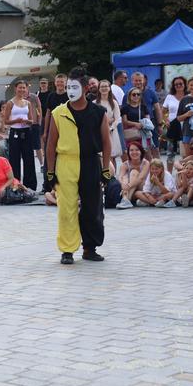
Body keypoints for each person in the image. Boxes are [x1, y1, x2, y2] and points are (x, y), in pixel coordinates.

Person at [45, 67, 111, 264]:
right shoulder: (59, 112)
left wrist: (106, 169)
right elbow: (50, 144)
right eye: (67, 87)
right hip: (66, 163)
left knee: (93, 207)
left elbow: (106, 142)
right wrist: (49, 172)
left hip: (90, 162)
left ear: (84, 87)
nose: (70, 90)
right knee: (66, 207)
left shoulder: (99, 112)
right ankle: (67, 250)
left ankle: (90, 248)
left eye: (74, 86)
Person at [4, 80, 37, 191]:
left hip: (26, 131)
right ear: (15, 88)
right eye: (20, 88)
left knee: (29, 159)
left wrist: (28, 121)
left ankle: (30, 185)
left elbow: (32, 120)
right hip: (15, 132)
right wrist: (16, 121)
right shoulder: (10, 103)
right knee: (14, 160)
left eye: (24, 88)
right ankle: (16, 184)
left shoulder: (28, 103)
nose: (22, 90)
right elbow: (6, 121)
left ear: (26, 89)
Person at [126, 72, 162, 159]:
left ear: (144, 80)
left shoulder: (150, 92)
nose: (138, 82)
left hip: (149, 124)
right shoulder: (128, 93)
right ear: (132, 81)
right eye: (136, 80)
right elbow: (124, 111)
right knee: (142, 149)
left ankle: (158, 169)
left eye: (140, 80)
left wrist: (160, 125)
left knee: (155, 148)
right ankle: (146, 170)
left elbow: (157, 108)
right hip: (135, 125)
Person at [95, 80, 122, 167]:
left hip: (111, 132)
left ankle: (112, 177)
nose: (104, 88)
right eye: (102, 87)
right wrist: (105, 122)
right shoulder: (94, 103)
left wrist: (110, 128)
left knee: (111, 156)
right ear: (99, 89)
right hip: (98, 133)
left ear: (109, 88)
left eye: (106, 86)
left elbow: (117, 118)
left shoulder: (114, 103)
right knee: (100, 156)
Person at [115, 142, 150, 209]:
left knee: (134, 172)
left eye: (137, 150)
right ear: (128, 152)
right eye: (131, 150)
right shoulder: (125, 164)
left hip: (142, 187)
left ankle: (126, 200)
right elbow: (120, 177)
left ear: (141, 152)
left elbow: (141, 178)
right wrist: (123, 184)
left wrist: (129, 185)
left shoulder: (145, 163)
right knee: (124, 177)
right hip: (132, 190)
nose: (134, 152)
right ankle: (126, 200)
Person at [162, 77, 186, 171]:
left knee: (184, 153)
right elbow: (163, 111)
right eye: (176, 84)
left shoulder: (188, 96)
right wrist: (166, 120)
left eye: (180, 84)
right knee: (170, 153)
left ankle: (185, 174)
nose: (178, 86)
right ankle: (169, 175)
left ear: (184, 84)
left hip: (186, 126)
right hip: (172, 126)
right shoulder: (169, 96)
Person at [121, 87, 151, 157]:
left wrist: (143, 125)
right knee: (132, 155)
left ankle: (146, 167)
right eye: (134, 94)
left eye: (138, 94)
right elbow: (124, 121)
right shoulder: (125, 108)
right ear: (130, 96)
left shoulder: (143, 107)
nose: (136, 96)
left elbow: (148, 119)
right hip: (131, 134)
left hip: (143, 133)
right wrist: (135, 124)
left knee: (146, 154)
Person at [111, 71, 128, 159]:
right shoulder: (116, 89)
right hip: (117, 122)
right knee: (122, 148)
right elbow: (121, 107)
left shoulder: (115, 88)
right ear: (119, 78)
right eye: (125, 78)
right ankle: (128, 170)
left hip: (114, 122)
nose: (127, 80)